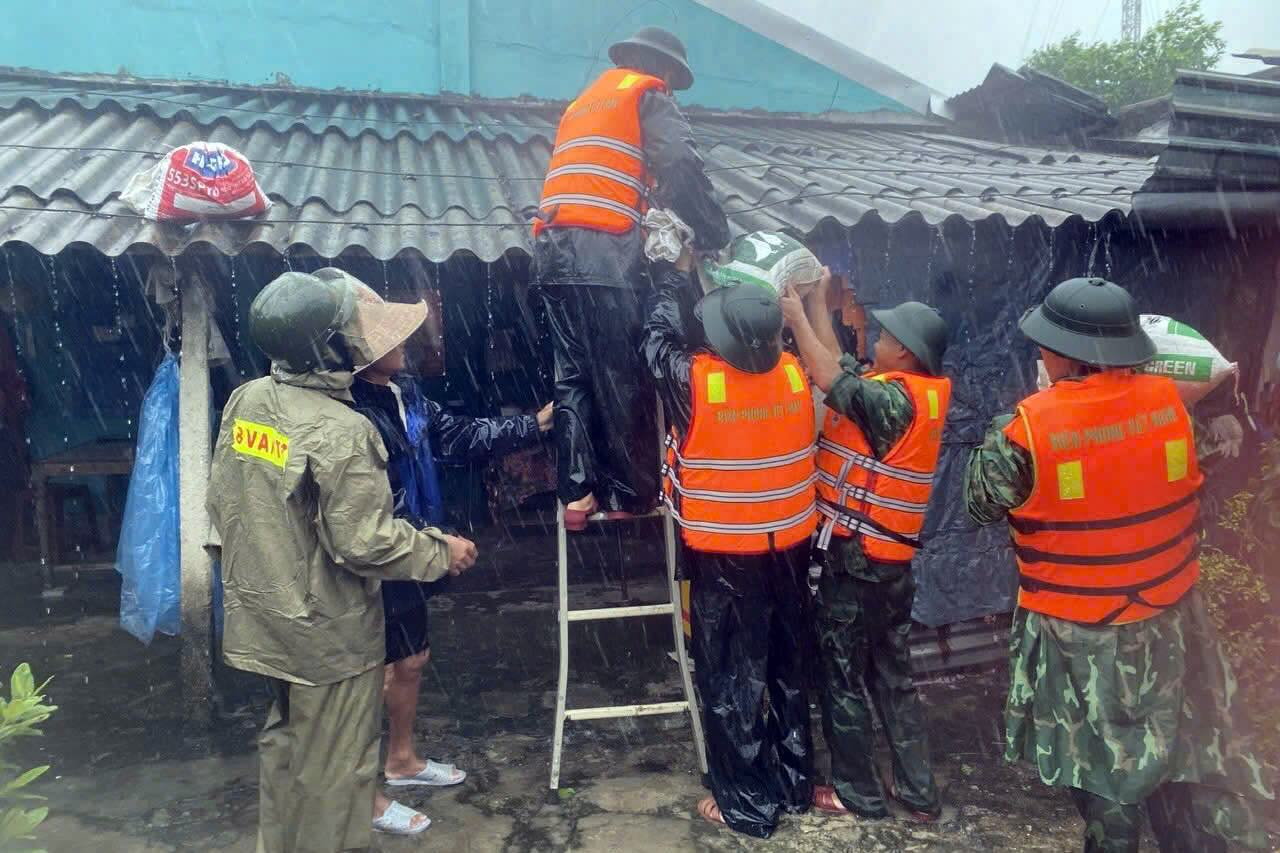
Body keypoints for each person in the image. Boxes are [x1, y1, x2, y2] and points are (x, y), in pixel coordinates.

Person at [965, 277, 1274, 853]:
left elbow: (980, 499)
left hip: (1079, 633)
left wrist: (1024, 411)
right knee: (1177, 747)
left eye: (1045, 344)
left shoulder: (1029, 429)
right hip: (1171, 620)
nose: (1038, 351)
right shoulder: (1170, 404)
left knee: (1103, 766)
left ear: (1064, 354)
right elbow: (1196, 459)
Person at [207, 269, 480, 850]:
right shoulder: (342, 429)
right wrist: (440, 551)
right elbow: (365, 543)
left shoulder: (248, 402)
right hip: (327, 636)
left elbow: (229, 501)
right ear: (329, 346)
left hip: (266, 618)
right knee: (338, 778)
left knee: (285, 756)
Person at [345, 274, 551, 827]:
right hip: (370, 553)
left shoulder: (404, 392)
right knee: (366, 674)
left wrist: (533, 425)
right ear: (360, 352)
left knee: (410, 660)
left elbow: (457, 436)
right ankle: (361, 796)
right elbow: (361, 510)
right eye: (392, 337)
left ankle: (401, 760)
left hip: (409, 549)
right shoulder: (345, 408)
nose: (405, 346)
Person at [644, 258, 817, 838]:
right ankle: (794, 783)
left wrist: (669, 273)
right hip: (789, 549)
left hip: (725, 559)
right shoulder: (793, 373)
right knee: (786, 669)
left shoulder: (698, 382)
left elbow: (654, 344)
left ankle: (743, 802)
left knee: (731, 680)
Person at [535, 26, 730, 530]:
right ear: (662, 69)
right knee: (622, 369)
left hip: (552, 253)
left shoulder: (583, 104)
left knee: (573, 374)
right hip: (602, 252)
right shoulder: (648, 95)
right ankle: (627, 492)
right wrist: (711, 230)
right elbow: (682, 163)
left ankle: (576, 492)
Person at [780, 274, 949, 822]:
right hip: (890, 567)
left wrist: (795, 318)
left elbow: (828, 374)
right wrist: (816, 301)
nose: (872, 339)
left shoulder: (891, 405)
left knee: (843, 678)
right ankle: (918, 794)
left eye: (882, 335)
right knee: (893, 678)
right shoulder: (905, 394)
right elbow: (841, 365)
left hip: (855, 565)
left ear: (903, 350)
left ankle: (858, 793)